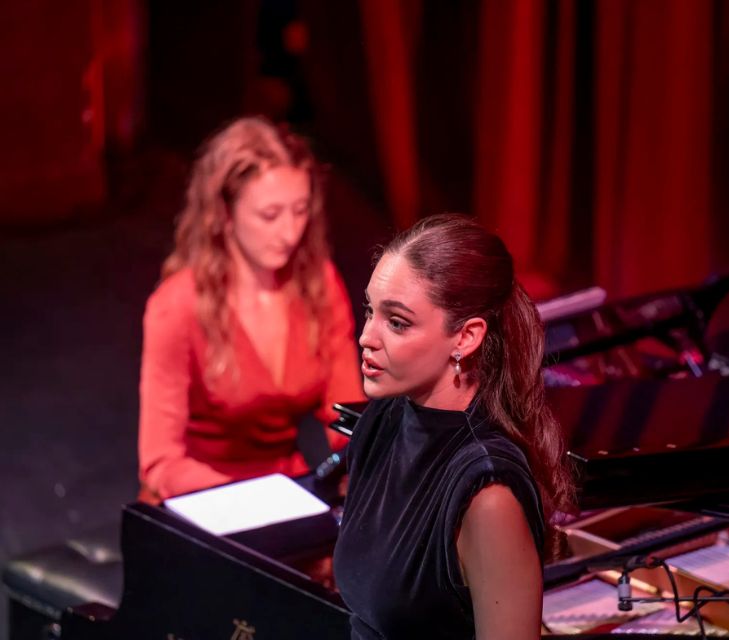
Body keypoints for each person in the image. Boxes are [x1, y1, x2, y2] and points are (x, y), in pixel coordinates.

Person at [333, 214, 574, 639]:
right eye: (371, 310)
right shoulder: (380, 423)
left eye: (397, 322)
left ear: (466, 337)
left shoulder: (488, 494)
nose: (366, 337)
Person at [138, 116, 363, 503]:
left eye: (300, 210)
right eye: (270, 215)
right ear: (225, 213)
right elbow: (160, 462)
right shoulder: (177, 305)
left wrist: (366, 461)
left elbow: (346, 415)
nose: (290, 232)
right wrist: (255, 500)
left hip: (285, 488)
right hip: (199, 496)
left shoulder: (318, 283)